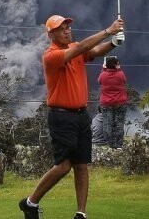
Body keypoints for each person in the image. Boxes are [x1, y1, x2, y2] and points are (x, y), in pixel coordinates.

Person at [19, 13, 125, 219]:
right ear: (51, 34)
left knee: (81, 165)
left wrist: (113, 43)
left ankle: (80, 214)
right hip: (61, 117)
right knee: (63, 166)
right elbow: (81, 48)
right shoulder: (51, 55)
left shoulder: (76, 48)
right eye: (61, 28)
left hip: (81, 115)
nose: (67, 30)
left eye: (68, 26)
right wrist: (108, 31)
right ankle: (30, 203)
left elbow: (93, 50)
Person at [98, 55, 128, 149]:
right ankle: (118, 145)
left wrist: (103, 69)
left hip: (106, 104)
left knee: (107, 123)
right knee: (119, 123)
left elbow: (99, 81)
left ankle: (110, 145)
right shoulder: (120, 74)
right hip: (120, 102)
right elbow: (124, 81)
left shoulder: (103, 75)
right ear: (116, 65)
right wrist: (118, 69)